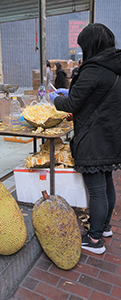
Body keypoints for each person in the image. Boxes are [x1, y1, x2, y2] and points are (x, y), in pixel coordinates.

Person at [50, 23, 121, 255]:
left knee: (97, 190)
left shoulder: (94, 69)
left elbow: (71, 105)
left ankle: (95, 239)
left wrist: (56, 99)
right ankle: (106, 227)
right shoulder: (115, 66)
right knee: (107, 183)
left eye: (83, 46)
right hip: (111, 135)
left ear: (91, 45)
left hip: (93, 137)